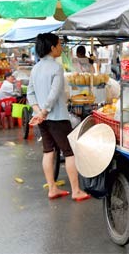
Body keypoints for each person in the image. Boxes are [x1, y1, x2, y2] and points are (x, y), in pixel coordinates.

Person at [27, 33, 90, 201]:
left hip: (42, 119)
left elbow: (30, 93)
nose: (61, 47)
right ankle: (76, 191)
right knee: (69, 152)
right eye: (59, 44)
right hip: (56, 117)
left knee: (48, 151)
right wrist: (44, 111)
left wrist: (38, 111)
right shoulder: (56, 68)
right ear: (52, 47)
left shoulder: (36, 68)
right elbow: (53, 95)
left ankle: (52, 188)